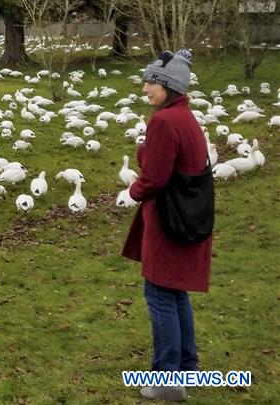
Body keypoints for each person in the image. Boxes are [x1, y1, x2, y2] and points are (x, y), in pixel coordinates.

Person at [122, 49, 210, 402]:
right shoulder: (186, 118)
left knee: (159, 294)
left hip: (168, 220)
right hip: (189, 217)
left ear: (168, 85)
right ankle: (188, 368)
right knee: (176, 293)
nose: (145, 88)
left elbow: (154, 178)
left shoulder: (163, 122)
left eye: (151, 82)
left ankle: (167, 377)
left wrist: (133, 187)